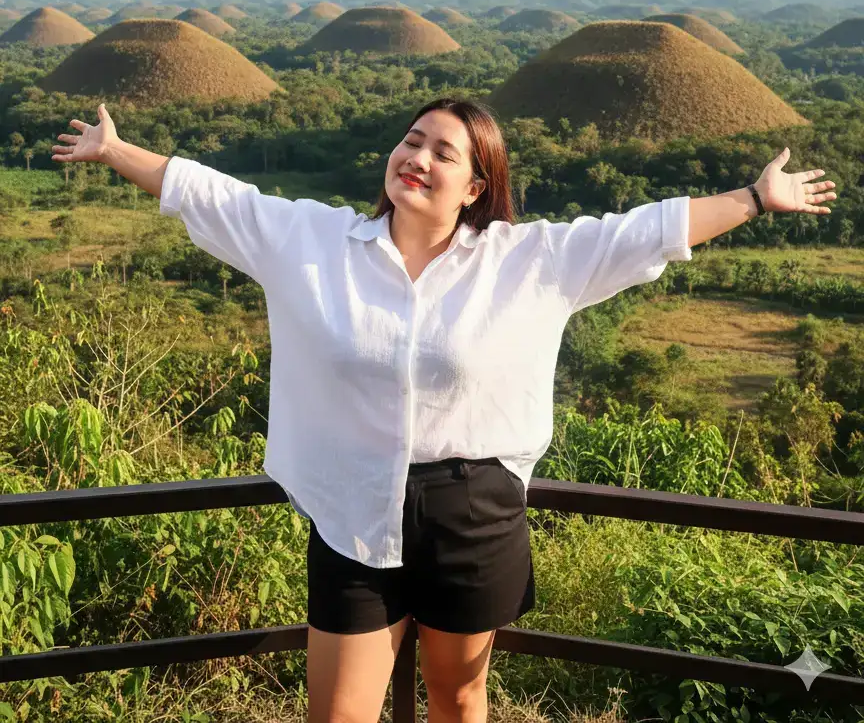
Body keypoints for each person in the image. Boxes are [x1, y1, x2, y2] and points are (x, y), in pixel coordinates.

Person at [52, 97, 836, 723]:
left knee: (459, 699)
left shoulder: (530, 262)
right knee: (337, 713)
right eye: (412, 139)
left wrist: (755, 199)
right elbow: (214, 196)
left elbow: (648, 233)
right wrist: (115, 150)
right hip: (352, 505)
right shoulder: (314, 241)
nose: (417, 158)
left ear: (476, 186)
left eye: (443, 152)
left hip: (474, 509)